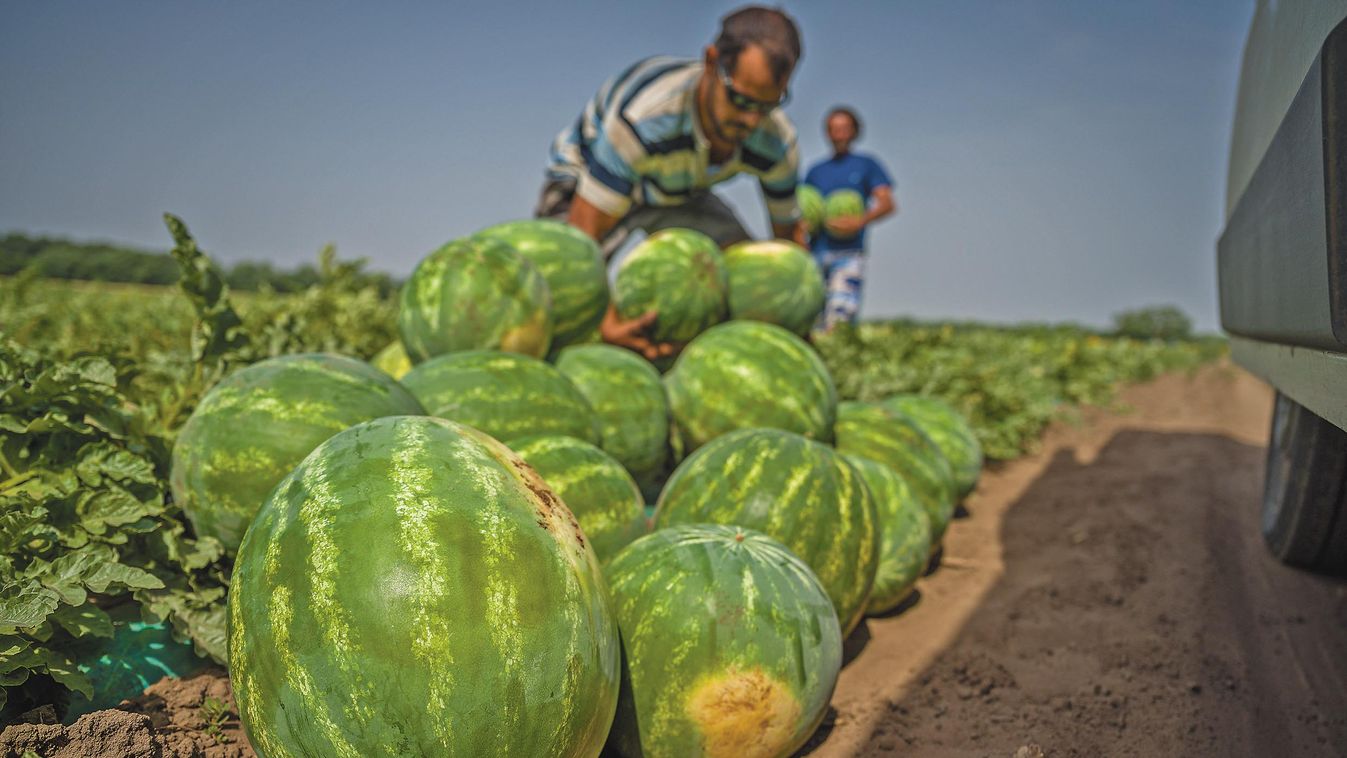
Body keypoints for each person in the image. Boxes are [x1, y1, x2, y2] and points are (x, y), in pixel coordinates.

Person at [536, 6, 806, 359]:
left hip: (680, 190)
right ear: (711, 62)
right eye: (740, 100)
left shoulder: (776, 142)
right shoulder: (645, 119)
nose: (751, 120)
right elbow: (581, 239)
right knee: (557, 296)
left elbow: (788, 247)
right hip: (589, 181)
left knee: (736, 276)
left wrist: (795, 313)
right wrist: (602, 320)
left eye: (768, 104)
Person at [803, 106, 897, 330]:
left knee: (841, 315)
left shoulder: (866, 165)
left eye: (844, 129)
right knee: (812, 317)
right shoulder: (816, 171)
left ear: (855, 132)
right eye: (834, 129)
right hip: (816, 252)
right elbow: (804, 207)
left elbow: (887, 203)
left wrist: (860, 221)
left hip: (849, 253)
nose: (839, 134)